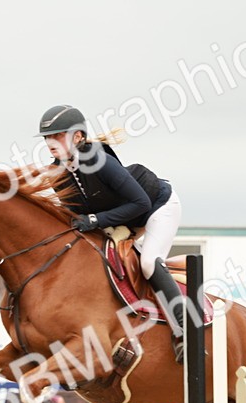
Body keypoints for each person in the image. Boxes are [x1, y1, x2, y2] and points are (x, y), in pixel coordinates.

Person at [38, 104, 187, 361]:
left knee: (149, 263)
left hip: (157, 207)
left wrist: (95, 219)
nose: (51, 142)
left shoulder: (101, 162)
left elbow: (140, 203)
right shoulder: (56, 174)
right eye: (48, 137)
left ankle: (185, 330)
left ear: (78, 136)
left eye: (58, 135)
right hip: (121, 219)